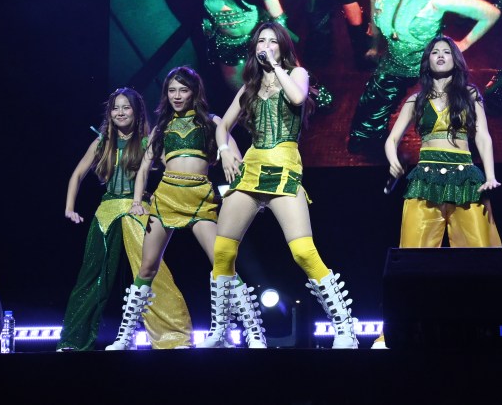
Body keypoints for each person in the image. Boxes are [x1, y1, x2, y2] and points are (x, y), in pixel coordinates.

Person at [213, 21, 359, 349]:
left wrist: (276, 67)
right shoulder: (248, 87)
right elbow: (223, 125)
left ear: (282, 48)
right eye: (260, 42)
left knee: (303, 252)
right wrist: (224, 150)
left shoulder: (297, 74)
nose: (265, 46)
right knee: (223, 250)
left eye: (272, 42)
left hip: (284, 168)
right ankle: (223, 331)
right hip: (252, 168)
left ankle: (344, 327)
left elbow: (297, 97)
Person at [105, 67, 266, 350]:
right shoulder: (162, 126)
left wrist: (244, 190)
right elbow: (144, 167)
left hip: (200, 198)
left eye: (183, 90)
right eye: (172, 90)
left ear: (194, 92)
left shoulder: (212, 122)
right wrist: (136, 201)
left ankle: (254, 331)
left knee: (222, 262)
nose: (177, 96)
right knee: (147, 267)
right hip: (166, 197)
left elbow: (236, 160)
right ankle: (125, 336)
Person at [372, 35, 502, 349]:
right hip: (425, 180)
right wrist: (393, 160)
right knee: (412, 256)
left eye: (446, 51)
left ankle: (482, 328)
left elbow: (482, 136)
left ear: (456, 60)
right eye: (435, 52)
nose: (441, 55)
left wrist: (490, 175)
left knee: (477, 254)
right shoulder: (416, 99)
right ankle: (397, 330)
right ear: (427, 60)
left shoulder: (470, 94)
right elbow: (392, 139)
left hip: (465, 179)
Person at [57, 88, 193, 351]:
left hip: (138, 209)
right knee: (92, 276)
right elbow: (77, 174)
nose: (120, 112)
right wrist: (69, 207)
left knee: (152, 271)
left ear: (137, 111)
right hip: (106, 211)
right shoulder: (101, 143)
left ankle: (174, 337)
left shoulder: (147, 142)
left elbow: (173, 167)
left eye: (126, 107)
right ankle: (73, 341)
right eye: (115, 108)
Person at [347, 0, 500, 155]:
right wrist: (375, 47)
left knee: (453, 110)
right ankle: (375, 147)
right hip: (396, 59)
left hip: (432, 62)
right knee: (371, 107)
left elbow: (491, 14)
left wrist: (462, 45)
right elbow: (374, 18)